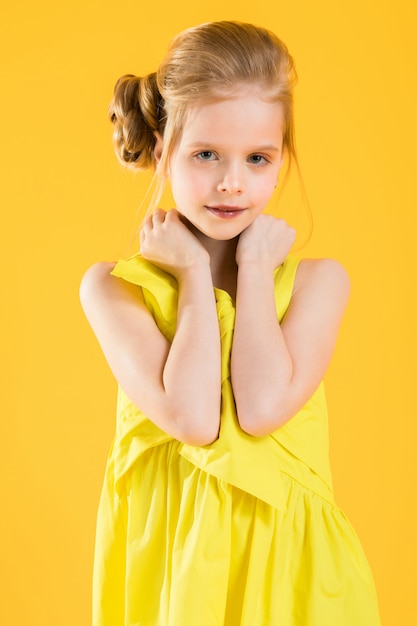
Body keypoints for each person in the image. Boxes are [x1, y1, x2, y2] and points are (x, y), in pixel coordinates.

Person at [80, 20, 380, 626]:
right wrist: (192, 273)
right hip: (172, 575)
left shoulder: (318, 284)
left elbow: (262, 407)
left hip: (296, 579)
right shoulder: (116, 289)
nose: (232, 182)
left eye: (258, 158)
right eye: (206, 154)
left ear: (281, 159)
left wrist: (256, 267)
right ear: (163, 152)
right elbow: (193, 418)